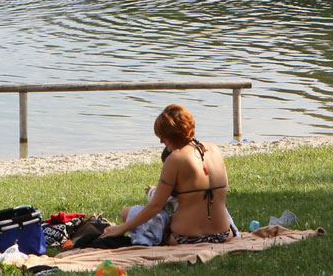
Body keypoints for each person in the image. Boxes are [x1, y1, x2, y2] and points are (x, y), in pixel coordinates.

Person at [100, 104, 233, 245]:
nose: (161, 141)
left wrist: (122, 228)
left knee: (126, 213)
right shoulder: (215, 150)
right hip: (223, 234)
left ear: (175, 135)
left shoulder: (175, 159)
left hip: (187, 238)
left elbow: (155, 206)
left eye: (163, 137)